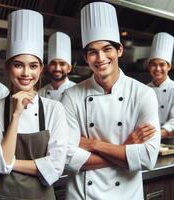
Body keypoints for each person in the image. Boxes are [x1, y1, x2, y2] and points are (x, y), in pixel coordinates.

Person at [61, 2, 160, 200]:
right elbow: (67, 158)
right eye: (93, 52)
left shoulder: (143, 94)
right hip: (82, 195)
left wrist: (93, 145)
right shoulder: (72, 96)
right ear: (86, 57)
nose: (101, 58)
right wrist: (126, 148)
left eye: (107, 49)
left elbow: (148, 158)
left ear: (120, 50)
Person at [0, 9, 68, 200]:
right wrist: (15, 116)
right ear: (7, 67)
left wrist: (10, 164)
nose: (26, 73)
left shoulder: (54, 109)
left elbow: (56, 167)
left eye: (33, 66)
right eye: (18, 64)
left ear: (41, 69)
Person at [147, 32, 174, 140]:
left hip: (170, 142)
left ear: (169, 67)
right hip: (147, 141)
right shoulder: (144, 89)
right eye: (153, 64)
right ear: (149, 67)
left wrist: (157, 134)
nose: (157, 69)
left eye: (162, 64)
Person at [38, 32, 75, 101]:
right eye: (53, 63)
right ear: (48, 67)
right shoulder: (40, 93)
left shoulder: (77, 91)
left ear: (69, 68)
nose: (57, 68)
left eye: (62, 64)